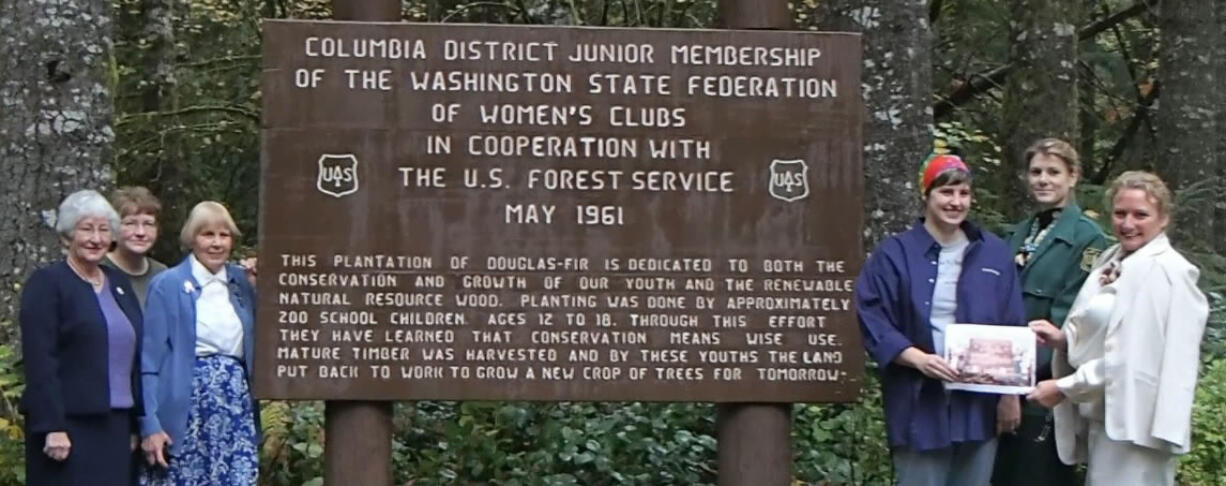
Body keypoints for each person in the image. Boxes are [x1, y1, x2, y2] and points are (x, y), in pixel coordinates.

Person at [1028, 171, 1209, 486]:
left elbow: (1136, 357)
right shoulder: (1116, 258)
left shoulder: (1167, 272)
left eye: (1141, 215)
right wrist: (1064, 340)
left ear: (1163, 218)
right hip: (1106, 414)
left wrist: (1064, 387)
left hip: (1139, 422)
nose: (1128, 224)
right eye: (1120, 213)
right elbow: (1106, 332)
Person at [856, 153, 1025, 486]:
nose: (956, 202)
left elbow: (1012, 324)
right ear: (927, 195)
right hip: (920, 403)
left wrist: (1010, 395)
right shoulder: (895, 254)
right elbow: (871, 316)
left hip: (979, 404)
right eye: (946, 193)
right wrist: (917, 358)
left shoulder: (993, 252)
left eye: (963, 193)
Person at [993, 139, 1107, 485]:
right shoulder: (1018, 234)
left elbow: (1069, 322)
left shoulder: (1088, 241)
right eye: (1036, 172)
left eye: (1053, 172)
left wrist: (1014, 386)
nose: (1043, 180)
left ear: (1073, 177)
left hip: (1041, 388)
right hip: (998, 381)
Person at [19, 189, 144, 485]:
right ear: (67, 235)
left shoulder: (119, 283)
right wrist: (52, 426)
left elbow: (134, 355)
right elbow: (40, 360)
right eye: (86, 229)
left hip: (115, 426)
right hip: (68, 427)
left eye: (104, 230)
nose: (96, 239)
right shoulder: (48, 283)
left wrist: (137, 423)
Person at [139, 201, 259, 485]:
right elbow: (148, 362)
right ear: (192, 238)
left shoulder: (242, 283)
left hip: (235, 408)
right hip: (184, 412)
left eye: (224, 235)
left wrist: (261, 286)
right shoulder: (167, 284)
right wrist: (149, 424)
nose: (216, 243)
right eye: (208, 235)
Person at [105, 186, 168, 309]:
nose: (140, 232)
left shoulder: (162, 275)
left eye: (148, 224)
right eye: (130, 223)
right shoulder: (98, 271)